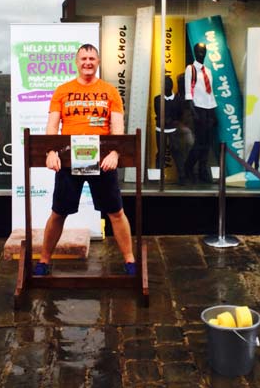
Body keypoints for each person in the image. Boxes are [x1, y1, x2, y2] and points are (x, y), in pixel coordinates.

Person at [34, 44, 136, 276]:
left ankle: (130, 260)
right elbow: (52, 124)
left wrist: (115, 153)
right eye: (83, 58)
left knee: (116, 212)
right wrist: (51, 151)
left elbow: (117, 126)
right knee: (58, 212)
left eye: (92, 58)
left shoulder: (110, 91)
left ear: (98, 62)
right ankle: (44, 260)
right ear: (77, 62)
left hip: (102, 160)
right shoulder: (62, 90)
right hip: (70, 159)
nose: (87, 62)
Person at [184, 42, 217, 183]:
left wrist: (214, 111)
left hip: (210, 107)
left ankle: (203, 170)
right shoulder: (190, 69)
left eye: (203, 51)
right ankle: (188, 167)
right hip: (198, 108)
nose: (201, 54)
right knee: (200, 141)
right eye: (198, 51)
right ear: (194, 52)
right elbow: (188, 93)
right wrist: (194, 112)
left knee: (208, 142)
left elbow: (211, 92)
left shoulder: (208, 70)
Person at [154, 75, 186, 185]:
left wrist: (172, 120)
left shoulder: (178, 100)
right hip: (160, 129)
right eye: (164, 84)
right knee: (160, 153)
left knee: (177, 153)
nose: (166, 86)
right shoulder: (157, 99)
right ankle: (157, 177)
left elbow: (180, 114)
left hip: (173, 129)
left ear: (172, 86)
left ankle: (182, 176)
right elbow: (158, 112)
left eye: (168, 84)